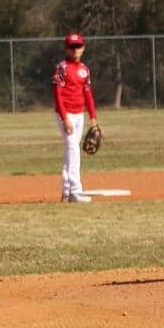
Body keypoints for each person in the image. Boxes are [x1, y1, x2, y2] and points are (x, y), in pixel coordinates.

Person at [52, 32, 98, 203]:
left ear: (83, 48)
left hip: (80, 114)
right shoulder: (62, 67)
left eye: (78, 46)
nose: (75, 49)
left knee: (71, 151)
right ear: (66, 49)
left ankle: (66, 192)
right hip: (66, 113)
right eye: (72, 47)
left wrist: (93, 118)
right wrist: (65, 118)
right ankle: (76, 190)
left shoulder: (84, 70)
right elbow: (57, 94)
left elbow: (88, 95)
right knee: (73, 149)